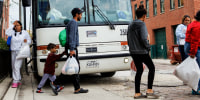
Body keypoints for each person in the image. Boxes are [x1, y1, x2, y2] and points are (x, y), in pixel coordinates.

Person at [127, 5, 158, 99]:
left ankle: (137, 93)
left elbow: (128, 39)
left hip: (133, 52)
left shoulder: (130, 24)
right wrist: (148, 47)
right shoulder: (142, 24)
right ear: (144, 15)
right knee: (152, 68)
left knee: (139, 70)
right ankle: (149, 90)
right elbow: (144, 38)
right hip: (142, 51)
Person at [63, 7, 88, 94]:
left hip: (71, 47)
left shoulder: (72, 22)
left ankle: (77, 88)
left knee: (74, 68)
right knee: (74, 68)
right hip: (72, 48)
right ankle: (55, 83)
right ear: (76, 14)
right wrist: (72, 49)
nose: (81, 16)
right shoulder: (73, 23)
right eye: (80, 14)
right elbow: (71, 37)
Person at [5, 20, 31, 88]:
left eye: (17, 25)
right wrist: (12, 25)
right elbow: (6, 32)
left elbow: (29, 40)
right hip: (13, 51)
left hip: (20, 51)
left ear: (21, 26)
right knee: (13, 66)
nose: (16, 27)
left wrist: (26, 41)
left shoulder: (24, 33)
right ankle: (18, 79)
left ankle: (15, 81)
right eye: (15, 26)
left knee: (17, 66)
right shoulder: (12, 32)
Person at [184, 10, 200, 95]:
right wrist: (193, 52)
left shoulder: (192, 24)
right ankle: (196, 89)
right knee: (198, 70)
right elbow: (195, 40)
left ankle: (195, 88)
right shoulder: (197, 26)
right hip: (194, 48)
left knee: (195, 69)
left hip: (189, 46)